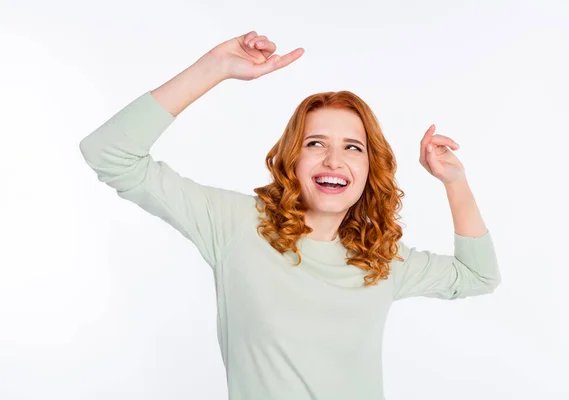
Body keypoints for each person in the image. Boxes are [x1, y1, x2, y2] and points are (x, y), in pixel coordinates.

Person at [79, 31, 501, 400]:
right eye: (316, 143)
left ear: (371, 168)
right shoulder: (236, 224)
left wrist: (454, 181)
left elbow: (479, 277)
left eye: (353, 147)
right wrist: (215, 67)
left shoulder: (381, 259)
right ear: (292, 159)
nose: (334, 160)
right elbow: (109, 153)